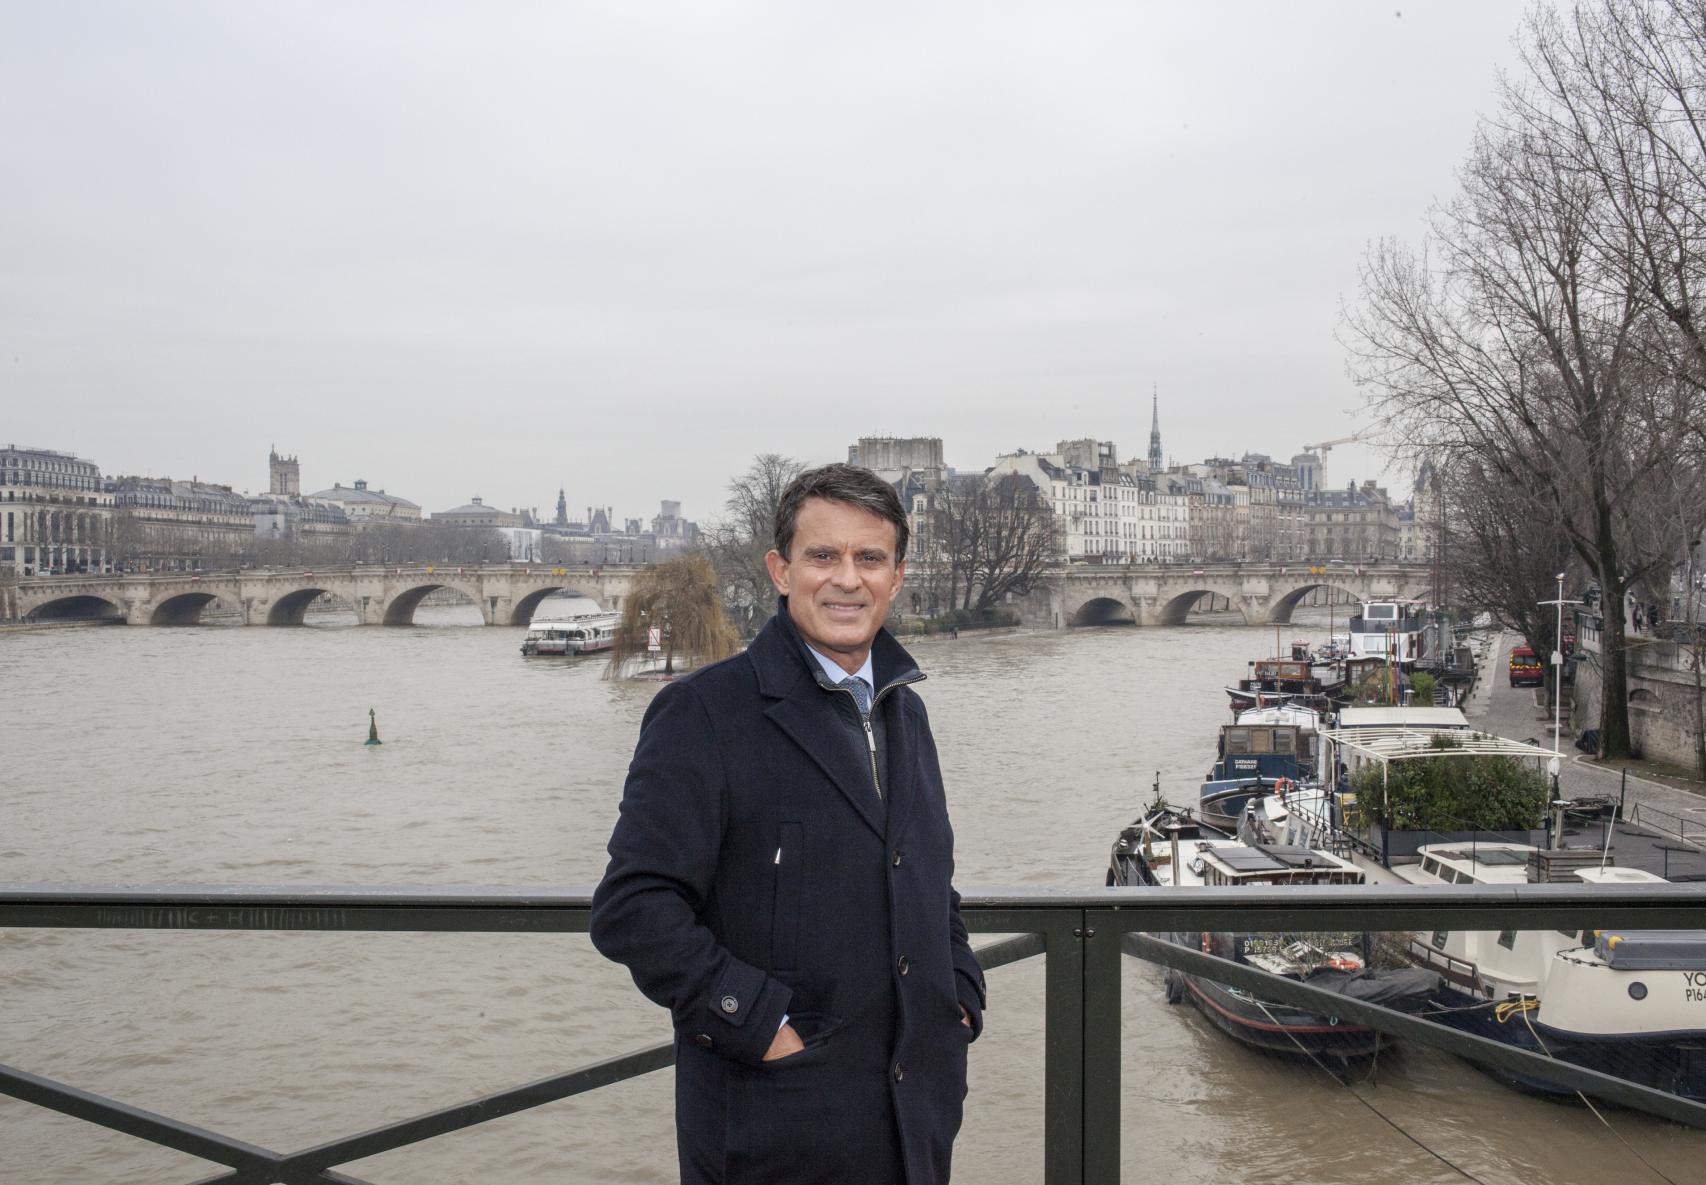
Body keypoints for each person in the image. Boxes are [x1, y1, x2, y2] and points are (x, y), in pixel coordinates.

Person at [590, 464, 984, 1185]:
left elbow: (928, 878)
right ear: (780, 569)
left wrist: (958, 995)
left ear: (897, 577)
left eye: (869, 558)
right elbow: (634, 908)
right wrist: (760, 1024)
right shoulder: (705, 713)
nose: (847, 579)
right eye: (823, 556)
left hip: (915, 1123)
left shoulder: (908, 714)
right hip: (776, 1131)